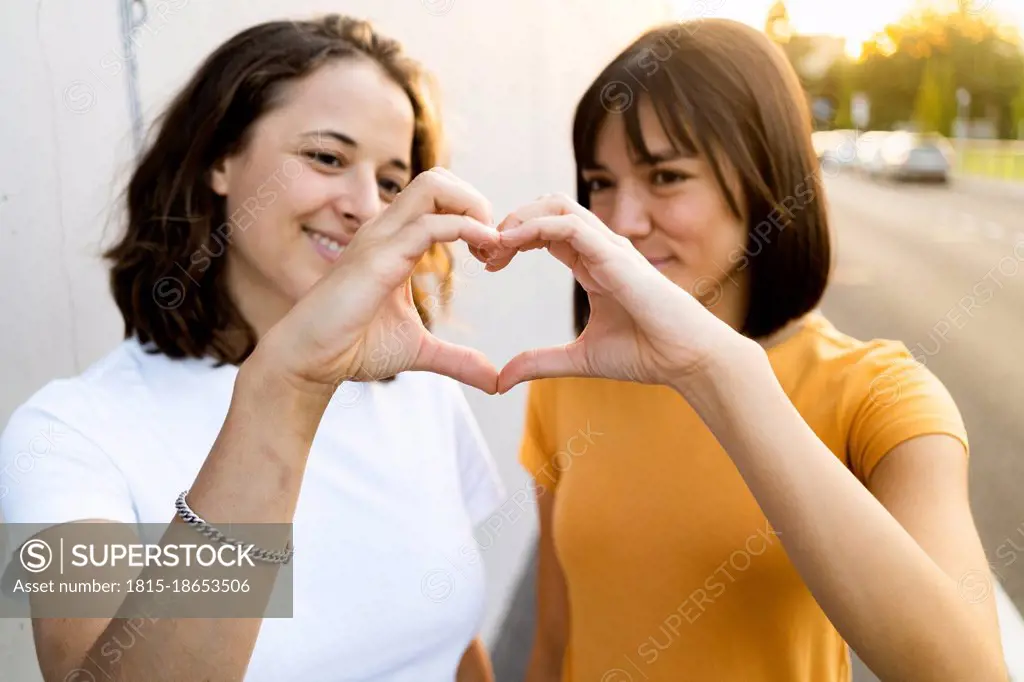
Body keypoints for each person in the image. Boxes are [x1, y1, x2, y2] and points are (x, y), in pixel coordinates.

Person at [490, 18, 1008, 682]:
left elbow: (971, 671)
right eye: (600, 181)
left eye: (667, 177)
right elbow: (556, 638)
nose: (620, 223)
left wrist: (717, 372)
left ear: (765, 182)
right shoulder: (565, 379)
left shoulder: (878, 394)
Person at [0, 15, 507, 682]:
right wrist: (282, 391)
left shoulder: (422, 389)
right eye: (327, 157)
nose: (364, 206)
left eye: (391, 181)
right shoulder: (61, 434)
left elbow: (451, 647)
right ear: (218, 159)